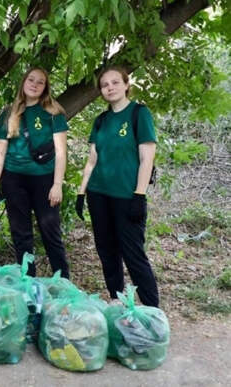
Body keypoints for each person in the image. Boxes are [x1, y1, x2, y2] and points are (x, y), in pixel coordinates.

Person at [75, 66, 159, 307]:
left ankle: (153, 311)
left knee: (133, 254)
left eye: (114, 82)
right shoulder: (101, 120)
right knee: (107, 251)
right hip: (98, 194)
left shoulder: (139, 114)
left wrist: (139, 196)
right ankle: (117, 302)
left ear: (125, 85)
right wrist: (81, 192)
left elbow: (147, 159)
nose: (110, 87)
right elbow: (92, 161)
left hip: (126, 197)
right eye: (105, 85)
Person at [0, 67, 70, 278]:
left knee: (50, 231)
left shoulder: (53, 113)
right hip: (14, 179)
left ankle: (63, 283)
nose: (34, 84)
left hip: (45, 180)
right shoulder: (9, 113)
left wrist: (57, 184)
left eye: (40, 82)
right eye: (31, 80)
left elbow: (61, 152)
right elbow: (0, 152)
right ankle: (28, 282)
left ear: (45, 88)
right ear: (23, 83)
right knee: (21, 234)